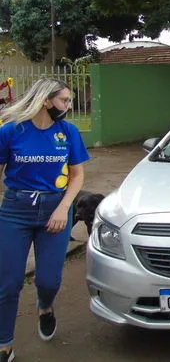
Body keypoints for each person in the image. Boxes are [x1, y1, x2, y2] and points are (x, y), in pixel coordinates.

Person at [0, 79, 90, 362]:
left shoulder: (68, 132)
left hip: (56, 209)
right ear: (46, 101)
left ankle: (45, 307)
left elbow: (77, 176)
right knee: (8, 282)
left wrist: (64, 209)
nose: (69, 106)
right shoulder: (11, 131)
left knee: (49, 280)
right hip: (15, 210)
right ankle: (4, 343)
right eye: (64, 100)